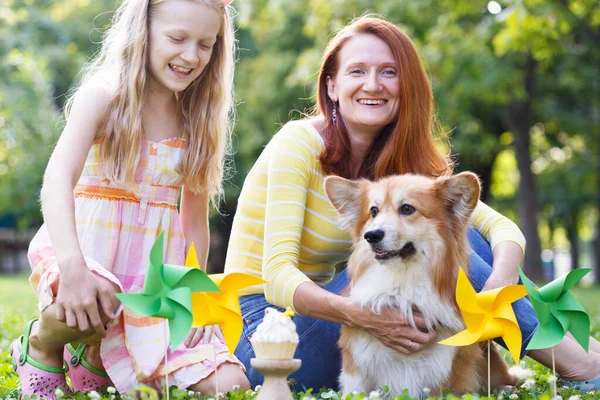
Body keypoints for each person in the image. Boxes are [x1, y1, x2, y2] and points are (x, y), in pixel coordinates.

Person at [225, 16, 600, 392]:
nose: (373, 84)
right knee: (447, 233)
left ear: (407, 86)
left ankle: (576, 356)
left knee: (452, 228)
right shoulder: (298, 143)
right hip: (269, 336)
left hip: (329, 322)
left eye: (389, 72)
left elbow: (501, 229)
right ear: (332, 86)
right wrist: (368, 317)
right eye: (357, 71)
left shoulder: (397, 167)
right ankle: (581, 363)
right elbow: (276, 276)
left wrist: (497, 288)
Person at [10, 0, 250, 398]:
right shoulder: (104, 96)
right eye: (177, 38)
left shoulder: (197, 119)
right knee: (100, 294)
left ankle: (98, 361)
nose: (191, 56)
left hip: (153, 281)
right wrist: (72, 267)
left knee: (231, 384)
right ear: (145, 30)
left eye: (205, 45)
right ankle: (43, 343)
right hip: (84, 257)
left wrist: (195, 293)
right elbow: (57, 179)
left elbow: (193, 220)